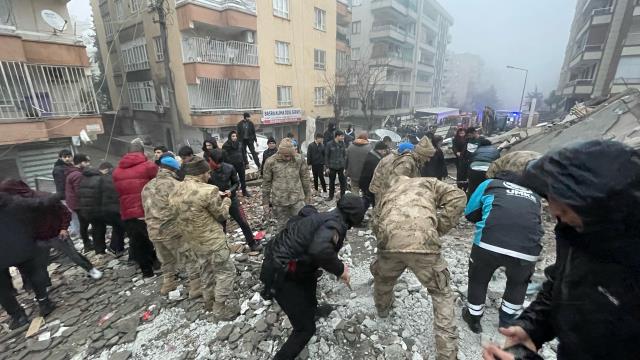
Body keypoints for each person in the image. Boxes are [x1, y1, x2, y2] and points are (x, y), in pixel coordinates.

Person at [483, 140, 640, 360]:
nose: (555, 212)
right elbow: (562, 282)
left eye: (565, 208)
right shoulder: (578, 235)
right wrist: (533, 327)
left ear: (601, 208)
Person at [260, 194, 367, 360]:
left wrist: (336, 263)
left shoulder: (327, 217)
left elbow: (310, 237)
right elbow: (319, 250)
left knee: (311, 277)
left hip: (291, 265)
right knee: (305, 330)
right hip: (280, 273)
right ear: (355, 217)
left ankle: (313, 310)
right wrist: (340, 270)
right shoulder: (335, 224)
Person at [371, 175, 466, 360]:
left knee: (383, 279)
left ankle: (382, 309)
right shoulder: (429, 182)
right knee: (441, 294)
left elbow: (375, 220)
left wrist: (384, 239)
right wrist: (440, 227)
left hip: (390, 243)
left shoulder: (388, 189)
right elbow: (458, 197)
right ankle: (447, 354)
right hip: (424, 245)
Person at [462, 171, 544, 333]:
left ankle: (474, 318)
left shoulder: (490, 183)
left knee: (479, 278)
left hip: (489, 243)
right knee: (518, 282)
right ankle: (507, 322)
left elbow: (469, 212)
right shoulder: (534, 194)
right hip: (527, 249)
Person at [168, 157, 239, 319]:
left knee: (205, 270)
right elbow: (221, 216)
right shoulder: (209, 190)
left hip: (193, 240)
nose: (209, 176)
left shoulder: (175, 190)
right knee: (226, 272)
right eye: (207, 172)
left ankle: (208, 302)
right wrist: (226, 201)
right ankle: (220, 308)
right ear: (200, 173)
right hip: (212, 240)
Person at [0, 179, 102, 281]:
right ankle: (45, 286)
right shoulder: (13, 206)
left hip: (56, 234)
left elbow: (64, 212)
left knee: (74, 256)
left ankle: (91, 269)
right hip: (37, 238)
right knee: (40, 264)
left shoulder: (43, 196)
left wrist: (63, 228)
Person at [0, 189, 62, 329]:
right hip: (21, 245)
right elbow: (38, 203)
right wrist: (58, 194)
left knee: (1, 288)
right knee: (34, 274)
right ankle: (44, 303)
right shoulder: (11, 200)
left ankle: (19, 316)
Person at [142, 154, 201, 298]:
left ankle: (168, 284)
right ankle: (196, 287)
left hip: (153, 231)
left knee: (166, 260)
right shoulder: (175, 185)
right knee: (189, 258)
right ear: (174, 170)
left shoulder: (147, 186)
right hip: (172, 230)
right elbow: (184, 208)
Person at [112, 140, 159, 278]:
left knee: (137, 242)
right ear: (142, 151)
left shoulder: (117, 171)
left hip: (127, 212)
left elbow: (117, 192)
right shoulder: (149, 166)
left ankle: (147, 272)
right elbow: (158, 186)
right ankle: (158, 264)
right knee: (154, 239)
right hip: (147, 210)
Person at [207, 149, 262, 252]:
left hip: (231, 199)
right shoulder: (207, 172)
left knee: (243, 221)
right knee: (220, 226)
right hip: (217, 202)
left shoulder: (229, 168)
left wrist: (230, 191)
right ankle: (222, 249)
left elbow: (236, 183)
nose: (210, 163)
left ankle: (252, 243)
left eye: (211, 161)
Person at [262, 138, 311, 232]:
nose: (288, 158)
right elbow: (266, 183)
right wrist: (265, 202)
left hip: (297, 199)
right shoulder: (270, 162)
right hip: (279, 201)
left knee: (300, 225)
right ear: (280, 152)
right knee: (282, 228)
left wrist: (308, 195)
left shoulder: (299, 159)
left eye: (290, 155)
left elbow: (305, 178)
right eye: (286, 156)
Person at [369, 137, 435, 199]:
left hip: (383, 193)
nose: (428, 160)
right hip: (390, 198)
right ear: (422, 154)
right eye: (428, 156)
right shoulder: (407, 162)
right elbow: (396, 184)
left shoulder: (409, 159)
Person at [64, 153, 94, 252]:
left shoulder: (73, 172)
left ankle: (87, 243)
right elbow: (80, 191)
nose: (88, 164)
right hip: (79, 204)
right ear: (80, 162)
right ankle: (87, 244)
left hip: (75, 203)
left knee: (83, 223)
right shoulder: (77, 174)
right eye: (86, 162)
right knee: (85, 223)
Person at [96, 162, 127, 256]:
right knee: (122, 228)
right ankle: (116, 248)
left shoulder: (102, 179)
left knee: (118, 228)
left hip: (107, 209)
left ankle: (115, 248)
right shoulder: (115, 178)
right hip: (116, 208)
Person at [465, 127, 498, 197]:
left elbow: (471, 161)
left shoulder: (477, 150)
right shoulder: (495, 150)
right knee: (486, 188)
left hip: (474, 169)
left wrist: (469, 174)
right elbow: (497, 164)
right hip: (488, 171)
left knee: (472, 189)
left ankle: (470, 203)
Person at [359, 141, 389, 209]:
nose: (385, 153)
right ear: (380, 150)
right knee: (367, 201)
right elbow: (372, 175)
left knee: (368, 200)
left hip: (367, 183)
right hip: (368, 185)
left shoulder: (373, 155)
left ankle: (360, 212)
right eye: (384, 151)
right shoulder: (374, 160)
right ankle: (358, 213)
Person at [223, 131, 250, 197]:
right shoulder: (226, 146)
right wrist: (226, 166)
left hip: (240, 164)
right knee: (233, 181)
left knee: (243, 179)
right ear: (230, 137)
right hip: (231, 166)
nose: (235, 137)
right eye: (233, 136)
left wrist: (246, 162)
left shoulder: (240, 144)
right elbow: (224, 157)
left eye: (236, 136)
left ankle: (244, 192)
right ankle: (233, 193)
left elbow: (244, 154)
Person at [324, 130, 347, 201]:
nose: (343, 137)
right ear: (337, 136)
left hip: (341, 166)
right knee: (332, 182)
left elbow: (344, 155)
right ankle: (331, 196)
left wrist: (345, 166)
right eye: (342, 136)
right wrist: (327, 167)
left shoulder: (343, 143)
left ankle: (343, 196)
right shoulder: (329, 144)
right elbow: (326, 156)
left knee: (343, 182)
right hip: (332, 166)